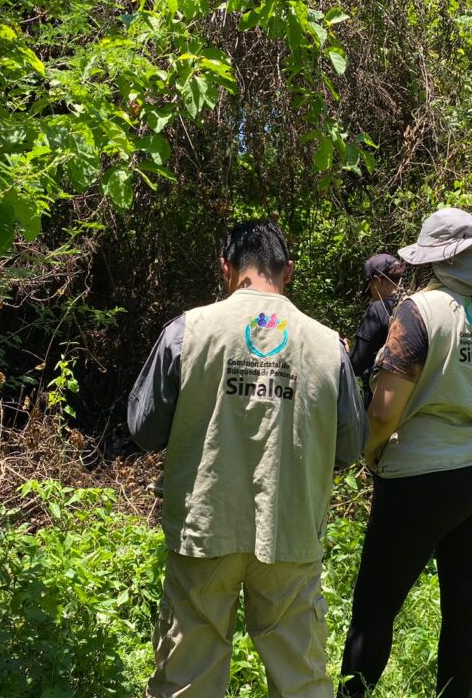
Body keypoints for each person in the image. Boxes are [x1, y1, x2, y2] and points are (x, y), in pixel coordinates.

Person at [128, 220, 367, 698]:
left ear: (226, 268)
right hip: (291, 529)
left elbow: (143, 428)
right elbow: (351, 448)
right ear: (289, 271)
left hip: (205, 529)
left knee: (187, 676)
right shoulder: (327, 346)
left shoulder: (186, 332)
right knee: (300, 679)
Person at [338, 208, 472, 698]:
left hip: (421, 479)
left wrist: (371, 455)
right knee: (465, 605)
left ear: (437, 259)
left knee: (376, 607)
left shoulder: (420, 310)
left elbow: (385, 409)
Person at [349, 253, 404, 406]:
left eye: (370, 289)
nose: (372, 296)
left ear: (378, 280)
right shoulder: (419, 303)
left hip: (384, 403)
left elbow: (356, 365)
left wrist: (344, 352)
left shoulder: (378, 309)